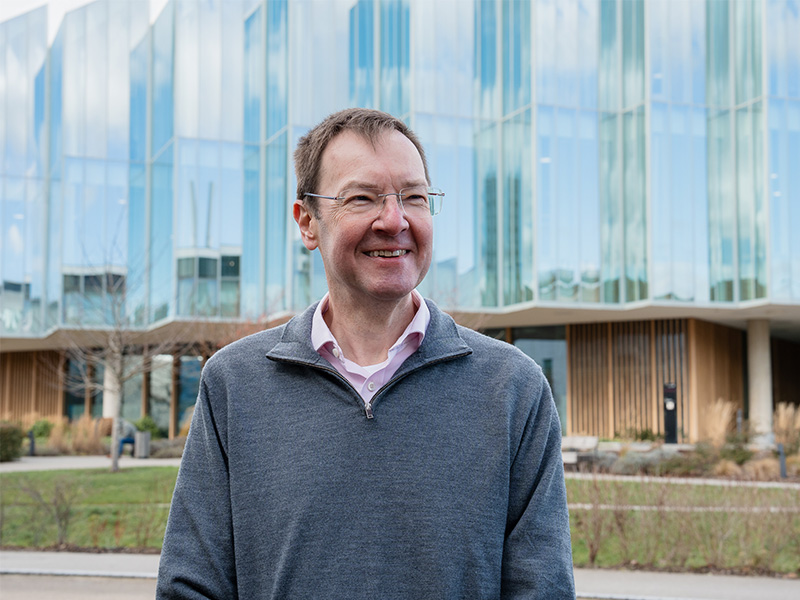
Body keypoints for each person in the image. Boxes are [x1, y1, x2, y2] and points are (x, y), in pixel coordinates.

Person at [157, 108, 575, 599]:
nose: (394, 220)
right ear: (308, 223)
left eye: (414, 197)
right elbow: (191, 587)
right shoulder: (234, 383)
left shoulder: (513, 389)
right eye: (362, 198)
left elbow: (541, 589)